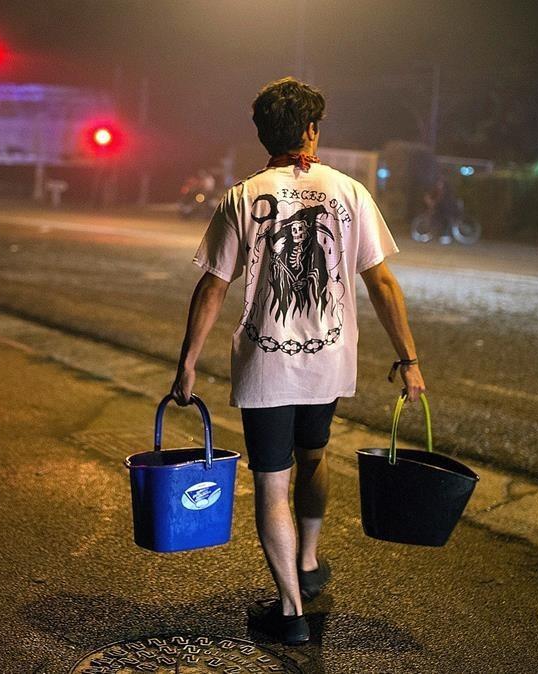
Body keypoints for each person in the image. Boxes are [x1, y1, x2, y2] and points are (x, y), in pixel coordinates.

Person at [170, 77, 427, 645]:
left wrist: (187, 362)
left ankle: (290, 610)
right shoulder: (350, 192)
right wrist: (408, 359)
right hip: (329, 361)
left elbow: (212, 285)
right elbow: (382, 282)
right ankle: (308, 563)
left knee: (272, 482)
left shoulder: (241, 197)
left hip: (267, 366)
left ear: (263, 133)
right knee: (314, 454)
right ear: (312, 130)